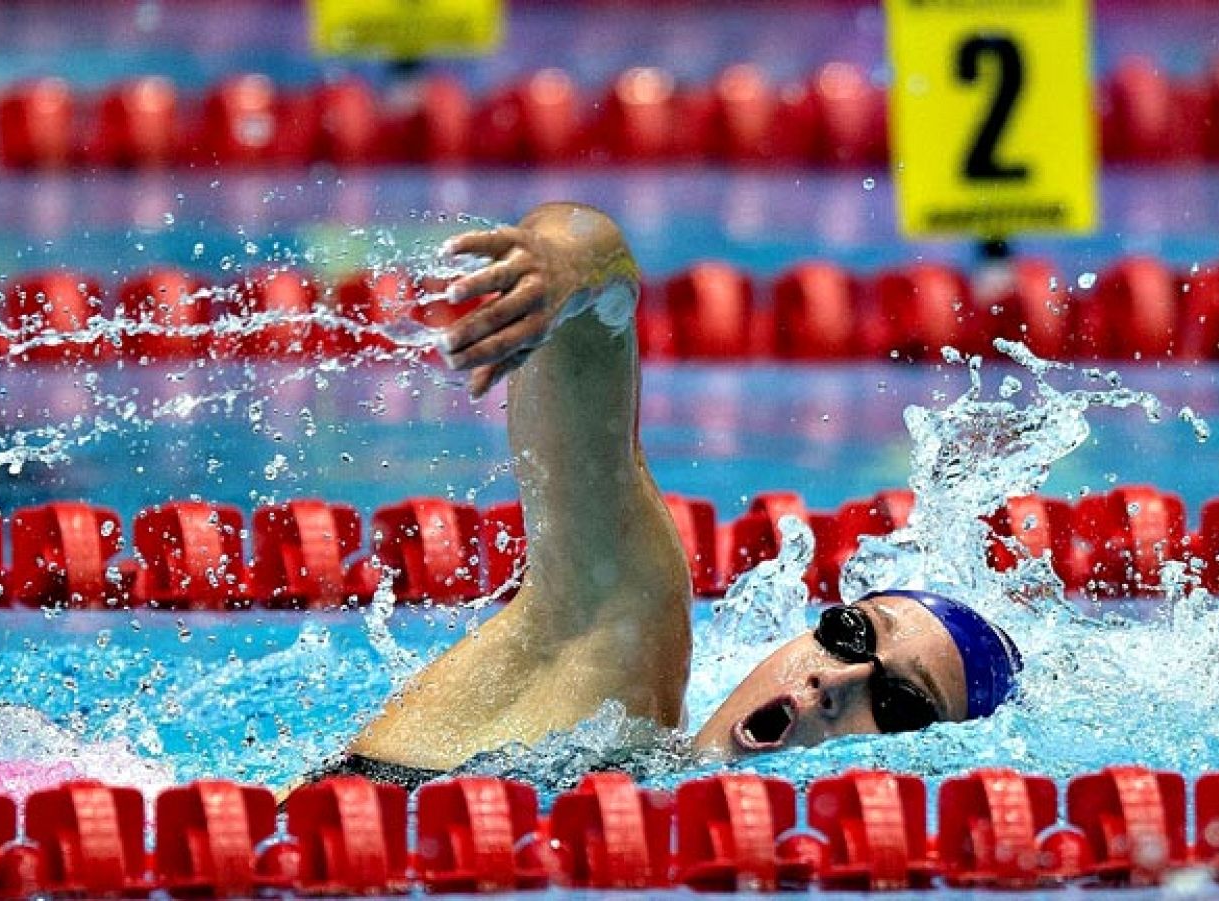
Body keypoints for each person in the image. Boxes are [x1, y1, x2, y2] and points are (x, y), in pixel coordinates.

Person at [305, 202, 1021, 789]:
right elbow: (595, 304)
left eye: (898, 704)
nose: (837, 678)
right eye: (851, 633)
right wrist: (569, 263)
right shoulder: (606, 677)